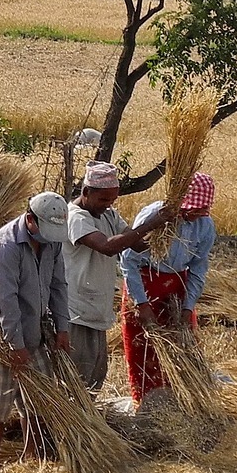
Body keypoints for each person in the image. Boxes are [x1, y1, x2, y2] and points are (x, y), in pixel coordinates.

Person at [0, 191, 71, 471]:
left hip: (34, 327)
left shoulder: (52, 242)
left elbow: (58, 285)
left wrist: (62, 327)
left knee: (37, 399)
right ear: (30, 219)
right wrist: (15, 345)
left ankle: (32, 458)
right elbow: (6, 300)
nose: (50, 238)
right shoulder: (5, 246)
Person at [63, 161, 173, 391]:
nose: (108, 205)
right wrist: (150, 224)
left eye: (112, 200)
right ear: (86, 192)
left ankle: (87, 412)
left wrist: (164, 230)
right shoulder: (75, 217)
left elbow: (137, 244)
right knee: (77, 376)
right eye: (104, 200)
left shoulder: (108, 215)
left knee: (95, 375)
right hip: (76, 310)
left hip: (96, 308)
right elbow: (108, 247)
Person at [119, 172, 217, 406]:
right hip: (145, 283)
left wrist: (187, 307)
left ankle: (182, 403)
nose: (197, 214)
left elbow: (198, 269)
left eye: (202, 210)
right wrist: (141, 304)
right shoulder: (155, 216)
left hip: (176, 289)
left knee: (182, 347)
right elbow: (129, 260)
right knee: (143, 349)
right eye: (193, 209)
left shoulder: (204, 225)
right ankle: (146, 405)